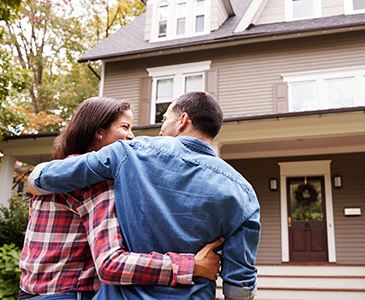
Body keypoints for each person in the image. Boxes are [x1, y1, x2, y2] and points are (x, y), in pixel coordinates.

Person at [28, 92, 260, 300]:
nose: (160, 129)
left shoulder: (130, 154)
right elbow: (239, 286)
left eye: (164, 119)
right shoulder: (244, 192)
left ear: (183, 120)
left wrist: (34, 179)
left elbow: (52, 175)